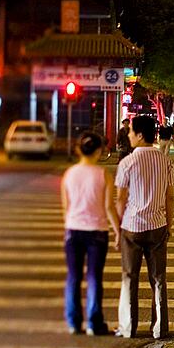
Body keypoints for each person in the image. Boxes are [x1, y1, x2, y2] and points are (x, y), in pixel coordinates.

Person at [114, 115, 174, 339]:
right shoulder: (165, 161)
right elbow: (170, 197)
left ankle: (128, 327)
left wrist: (119, 228)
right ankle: (159, 328)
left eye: (131, 131)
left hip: (131, 227)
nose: (129, 135)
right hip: (158, 226)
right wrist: (169, 225)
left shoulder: (127, 162)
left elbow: (120, 199)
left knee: (129, 277)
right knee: (158, 278)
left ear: (140, 135)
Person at [61, 131, 121, 335]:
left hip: (73, 230)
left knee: (73, 277)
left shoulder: (69, 174)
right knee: (94, 277)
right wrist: (118, 231)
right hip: (97, 232)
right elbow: (108, 207)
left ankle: (73, 322)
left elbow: (66, 207)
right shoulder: (103, 174)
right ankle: (94, 324)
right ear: (99, 150)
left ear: (78, 149)